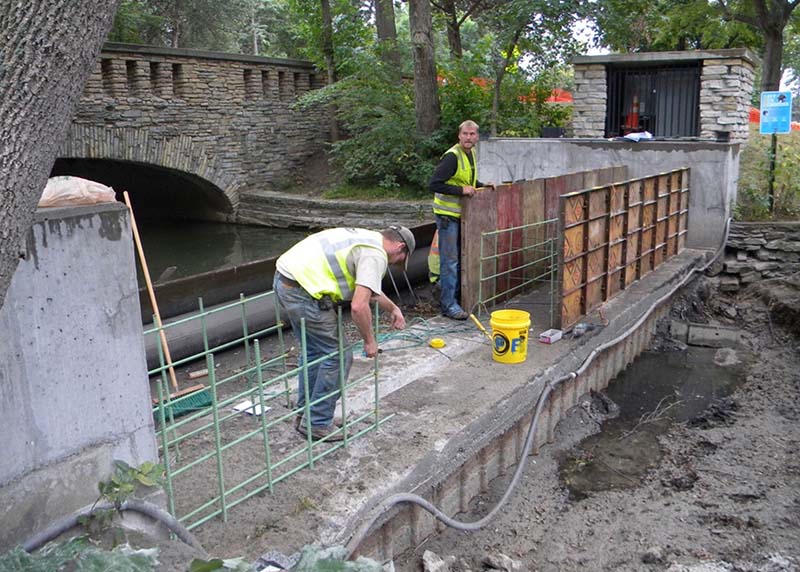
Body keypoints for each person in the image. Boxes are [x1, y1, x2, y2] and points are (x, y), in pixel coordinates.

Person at [272, 225, 414, 441]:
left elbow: (370, 291)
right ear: (400, 247)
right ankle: (317, 423)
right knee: (337, 356)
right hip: (304, 293)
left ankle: (306, 414)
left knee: (314, 352)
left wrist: (393, 308)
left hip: (286, 281)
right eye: (401, 258)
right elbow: (358, 306)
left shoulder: (366, 238)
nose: (396, 263)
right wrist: (370, 341)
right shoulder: (375, 255)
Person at [429, 120, 494, 320]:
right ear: (459, 135)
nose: (468, 137)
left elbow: (466, 182)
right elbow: (434, 184)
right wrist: (460, 191)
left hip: (461, 216)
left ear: (477, 137)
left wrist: (482, 185)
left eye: (472, 134)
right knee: (450, 262)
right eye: (465, 134)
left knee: (459, 259)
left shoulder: (470, 154)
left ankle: (455, 297)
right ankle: (448, 305)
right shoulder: (452, 157)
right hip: (448, 217)